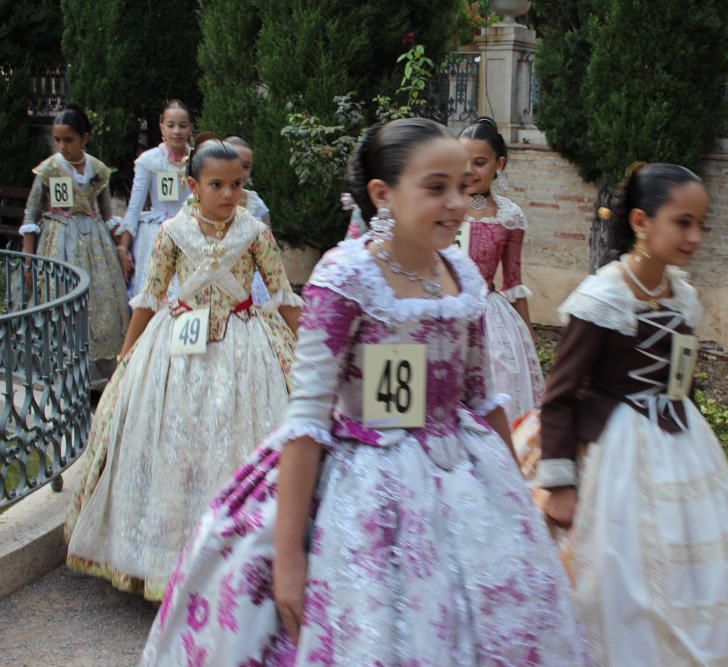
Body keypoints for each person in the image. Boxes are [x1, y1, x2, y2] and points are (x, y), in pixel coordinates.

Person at [140, 118, 589, 665]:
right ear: (382, 193)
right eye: (435, 187)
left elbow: (481, 397)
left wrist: (517, 501)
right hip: (362, 485)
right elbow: (306, 418)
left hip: (465, 482)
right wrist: (288, 560)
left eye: (462, 188)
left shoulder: (465, 277)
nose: (456, 203)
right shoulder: (346, 277)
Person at [537, 163, 728, 665]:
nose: (695, 236)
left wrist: (704, 456)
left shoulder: (682, 297)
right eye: (682, 223)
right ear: (641, 221)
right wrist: (560, 483)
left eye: (701, 224)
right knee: (625, 577)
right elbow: (559, 394)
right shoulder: (604, 297)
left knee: (692, 572)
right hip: (617, 456)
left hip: (681, 445)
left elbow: (682, 380)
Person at [64, 134, 302, 601]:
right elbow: (150, 297)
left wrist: (309, 348)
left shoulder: (255, 231)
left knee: (237, 443)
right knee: (178, 447)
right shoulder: (172, 232)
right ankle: (163, 559)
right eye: (217, 185)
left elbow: (282, 293)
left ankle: (240, 564)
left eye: (237, 184)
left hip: (245, 343)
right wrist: (128, 357)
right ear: (193, 185)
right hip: (177, 347)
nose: (230, 194)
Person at [19, 104, 129, 386]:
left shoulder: (99, 170)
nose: (62, 146)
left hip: (95, 243)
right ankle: (60, 370)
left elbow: (106, 214)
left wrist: (120, 248)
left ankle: (99, 372)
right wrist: (28, 259)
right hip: (59, 240)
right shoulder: (49, 169)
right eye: (57, 140)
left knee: (101, 303)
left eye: (68, 140)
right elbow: (31, 213)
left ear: (85, 138)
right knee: (60, 299)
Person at [458, 116, 544, 426]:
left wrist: (529, 343)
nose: (469, 171)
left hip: (491, 320)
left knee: (499, 394)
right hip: (443, 310)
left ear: (500, 164)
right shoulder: (442, 208)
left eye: (479, 162)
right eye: (462, 161)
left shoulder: (509, 216)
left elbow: (513, 282)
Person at [117, 99, 193, 298]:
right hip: (156, 235)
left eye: (182, 126)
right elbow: (134, 206)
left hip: (191, 231)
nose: (176, 131)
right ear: (162, 127)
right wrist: (124, 246)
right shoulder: (149, 160)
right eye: (171, 125)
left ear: (190, 128)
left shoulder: (198, 160)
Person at [225, 135, 272, 305]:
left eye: (245, 167)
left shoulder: (256, 204)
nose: (239, 171)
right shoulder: (199, 201)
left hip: (250, 283)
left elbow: (269, 250)